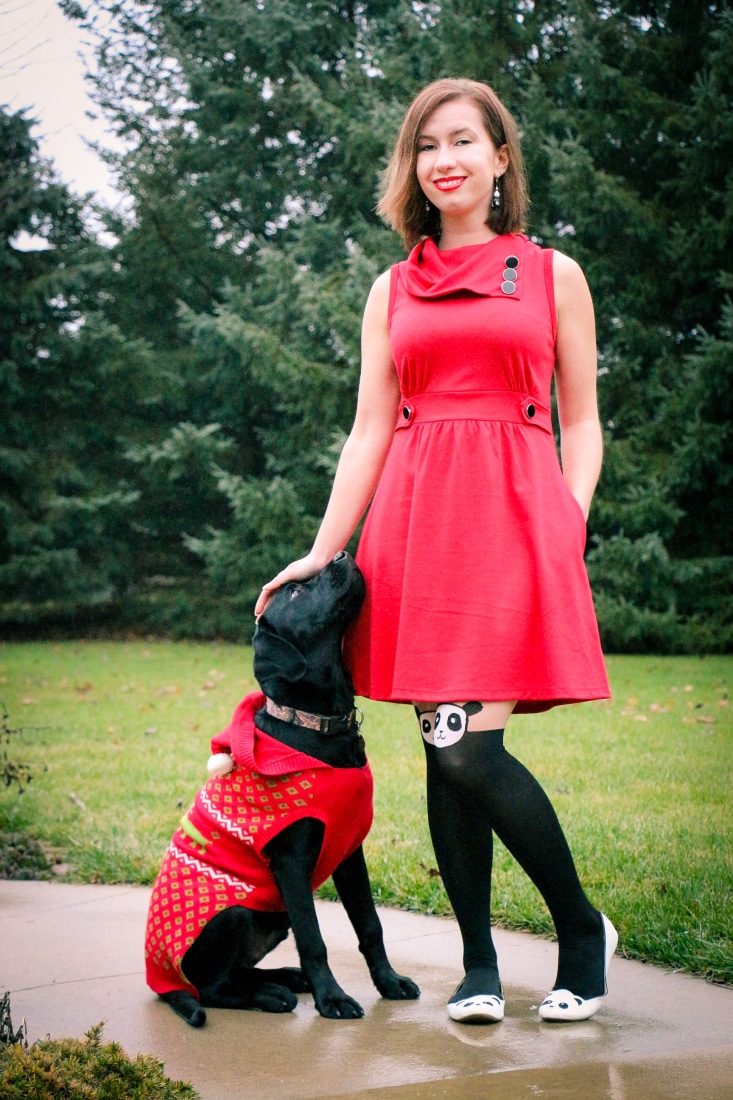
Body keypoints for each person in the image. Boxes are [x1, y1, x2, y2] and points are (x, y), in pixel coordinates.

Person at [255, 77, 616, 1025]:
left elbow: (581, 423)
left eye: (463, 141)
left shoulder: (550, 274)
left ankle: (581, 932)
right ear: (412, 168)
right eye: (426, 145)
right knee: (439, 747)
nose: (443, 159)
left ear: (501, 159)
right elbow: (369, 431)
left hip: (513, 522)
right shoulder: (391, 286)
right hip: (416, 528)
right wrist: (320, 554)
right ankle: (479, 966)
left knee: (465, 748)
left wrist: (563, 525)